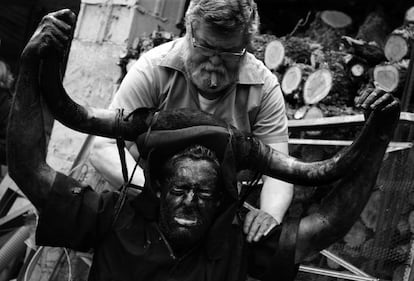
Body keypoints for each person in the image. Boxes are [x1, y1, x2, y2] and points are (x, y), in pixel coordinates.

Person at [8, 8, 401, 281]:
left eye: (204, 192)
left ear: (220, 200)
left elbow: (327, 221)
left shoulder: (234, 239)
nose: (191, 202)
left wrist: (380, 134)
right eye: (180, 189)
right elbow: (32, 168)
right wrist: (31, 66)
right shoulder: (114, 216)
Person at [90, 0, 292, 242]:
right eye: (205, 47)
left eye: (229, 52)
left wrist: (270, 214)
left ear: (247, 46)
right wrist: (160, 194)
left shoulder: (264, 88)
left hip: (214, 220)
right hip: (141, 204)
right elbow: (103, 148)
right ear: (189, 31)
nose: (215, 61)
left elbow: (280, 170)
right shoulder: (152, 69)